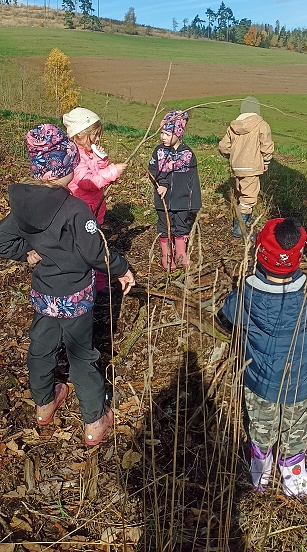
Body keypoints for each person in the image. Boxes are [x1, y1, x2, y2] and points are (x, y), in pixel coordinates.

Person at [0, 124, 135, 446]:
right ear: (65, 167)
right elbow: (94, 253)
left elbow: (3, 240)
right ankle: (94, 421)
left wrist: (27, 253)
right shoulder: (75, 208)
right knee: (81, 355)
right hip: (74, 295)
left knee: (41, 346)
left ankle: (44, 405)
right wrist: (121, 268)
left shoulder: (23, 204)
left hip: (44, 293)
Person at [218, 217, 307, 496]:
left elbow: (226, 315)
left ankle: (260, 473)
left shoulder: (247, 294)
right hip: (300, 379)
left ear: (259, 252)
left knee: (261, 423)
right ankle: (293, 476)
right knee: (296, 426)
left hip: (261, 381)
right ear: (299, 256)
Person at [62, 107, 127, 292]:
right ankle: (85, 286)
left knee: (95, 246)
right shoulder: (76, 157)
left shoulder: (87, 152)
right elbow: (87, 181)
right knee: (88, 248)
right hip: (83, 211)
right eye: (95, 135)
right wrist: (112, 171)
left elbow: (96, 172)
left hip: (93, 209)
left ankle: (98, 285)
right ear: (80, 134)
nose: (98, 139)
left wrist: (101, 159)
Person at [148, 110, 202, 269]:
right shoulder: (159, 151)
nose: (163, 137)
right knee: (164, 226)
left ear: (179, 133)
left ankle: (181, 255)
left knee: (181, 225)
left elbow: (193, 179)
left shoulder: (188, 153)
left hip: (182, 200)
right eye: (162, 133)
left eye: (167, 134)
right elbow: (152, 170)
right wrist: (162, 183)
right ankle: (166, 256)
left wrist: (194, 203)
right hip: (163, 200)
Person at [218, 97, 274, 237]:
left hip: (237, 167)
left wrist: (232, 157)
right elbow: (266, 146)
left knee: (242, 191)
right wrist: (266, 161)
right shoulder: (262, 125)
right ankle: (239, 228)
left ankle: (245, 217)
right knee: (249, 197)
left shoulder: (233, 127)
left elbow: (224, 147)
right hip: (252, 166)